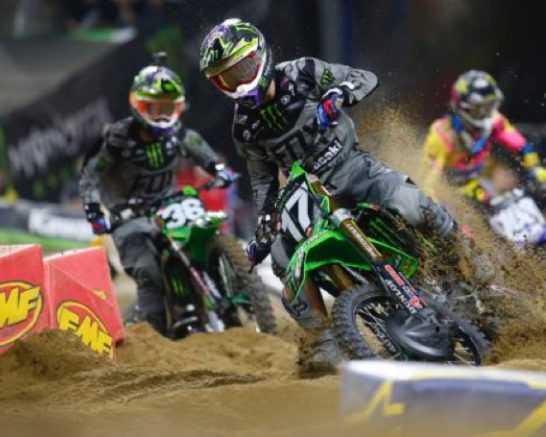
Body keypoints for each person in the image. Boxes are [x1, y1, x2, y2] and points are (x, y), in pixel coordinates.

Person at [199, 18, 483, 372]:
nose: (238, 83)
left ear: (260, 56)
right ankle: (323, 344)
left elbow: (364, 77)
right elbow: (262, 181)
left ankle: (469, 260)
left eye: (241, 69)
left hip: (352, 167)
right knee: (283, 259)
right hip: (307, 193)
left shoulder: (302, 73)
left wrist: (339, 94)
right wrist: (266, 224)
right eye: (226, 78)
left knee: (413, 205)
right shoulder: (244, 126)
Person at [79, 54, 235, 334]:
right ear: (137, 105)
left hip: (170, 203)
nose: (161, 115)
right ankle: (153, 335)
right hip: (129, 217)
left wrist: (217, 168)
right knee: (149, 271)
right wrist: (93, 212)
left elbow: (194, 143)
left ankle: (234, 293)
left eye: (167, 107)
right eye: (153, 107)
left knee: (203, 234)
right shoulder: (116, 138)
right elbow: (90, 174)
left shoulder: (177, 133)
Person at [421, 70, 546, 205]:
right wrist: (434, 205)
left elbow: (521, 146)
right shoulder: (441, 135)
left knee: (499, 207)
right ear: (463, 107)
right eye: (480, 108)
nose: (487, 114)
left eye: (490, 106)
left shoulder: (496, 122)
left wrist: (535, 168)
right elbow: (427, 183)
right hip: (445, 195)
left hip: (474, 188)